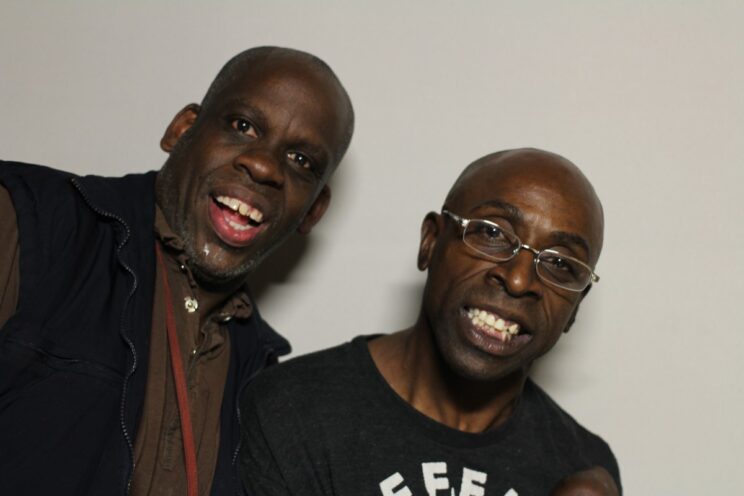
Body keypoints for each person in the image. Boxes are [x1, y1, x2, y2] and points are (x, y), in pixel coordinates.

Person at [0, 46, 354, 496]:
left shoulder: (262, 380)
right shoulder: (31, 221)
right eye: (243, 126)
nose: (264, 165)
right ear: (182, 130)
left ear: (313, 211)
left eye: (302, 162)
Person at [239, 148, 621, 495]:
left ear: (576, 307)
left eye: (560, 264)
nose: (520, 280)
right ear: (431, 243)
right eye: (492, 233)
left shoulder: (582, 467)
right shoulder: (293, 411)